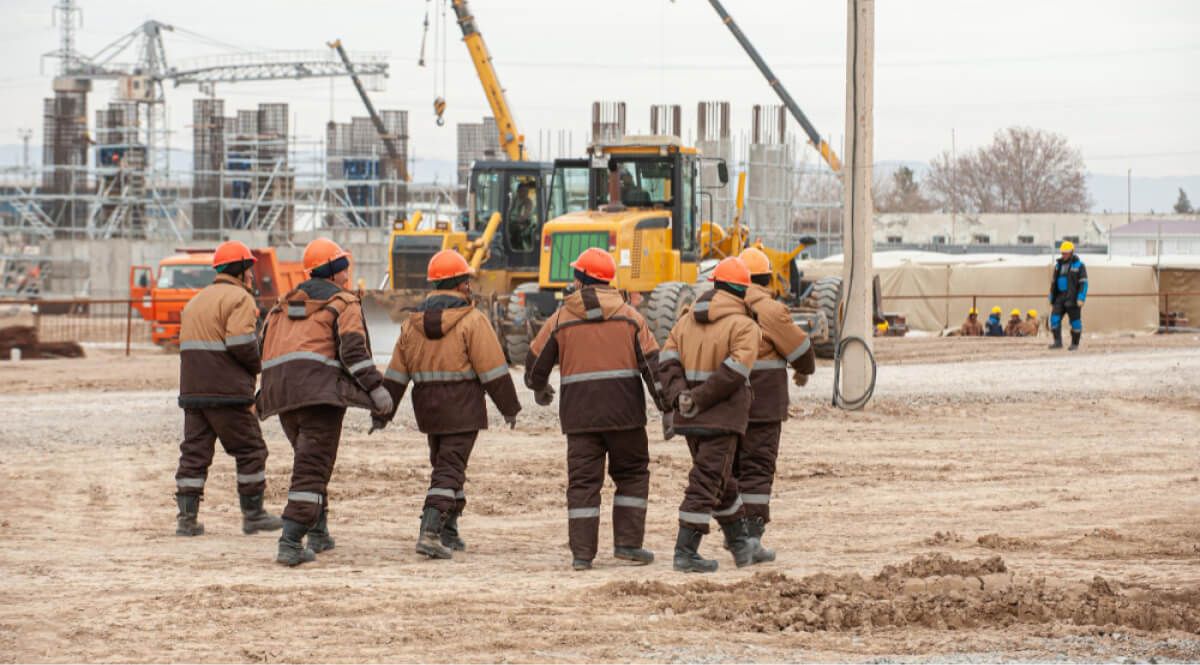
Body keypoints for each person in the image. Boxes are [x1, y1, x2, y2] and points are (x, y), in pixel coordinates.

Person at [524, 248, 666, 571]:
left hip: (580, 419)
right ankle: (628, 545)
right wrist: (667, 407)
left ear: (580, 280)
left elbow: (534, 367)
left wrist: (540, 389)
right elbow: (653, 368)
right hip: (626, 417)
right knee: (631, 475)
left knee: (583, 485)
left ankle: (582, 555)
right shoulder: (632, 318)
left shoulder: (560, 320)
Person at [257, 238, 392, 566]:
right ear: (334, 271)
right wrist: (377, 390)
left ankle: (319, 532)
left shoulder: (282, 305)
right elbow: (353, 352)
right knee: (312, 467)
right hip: (318, 396)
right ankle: (290, 541)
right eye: (343, 268)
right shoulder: (344, 303)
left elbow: (263, 347)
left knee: (310, 461)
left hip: (282, 395)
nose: (347, 275)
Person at [379, 249, 521, 560]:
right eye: (467, 280)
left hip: (428, 411)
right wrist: (509, 407)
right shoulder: (472, 321)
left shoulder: (411, 324)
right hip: (462, 409)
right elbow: (493, 370)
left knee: (446, 465)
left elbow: (395, 375)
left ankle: (448, 530)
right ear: (461, 284)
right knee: (449, 470)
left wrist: (383, 414)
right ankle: (430, 532)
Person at [657, 257, 768, 573]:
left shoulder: (685, 321)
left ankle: (740, 545)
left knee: (722, 482)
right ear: (743, 289)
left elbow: (667, 362)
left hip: (690, 420)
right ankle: (685, 552)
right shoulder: (745, 326)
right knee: (706, 483)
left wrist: (682, 398)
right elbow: (734, 372)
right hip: (722, 419)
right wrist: (699, 399)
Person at [174, 240, 281, 538]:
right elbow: (240, 342)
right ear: (241, 270)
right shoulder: (240, 299)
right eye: (249, 270)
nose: (251, 276)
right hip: (227, 392)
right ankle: (254, 514)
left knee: (195, 453)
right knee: (251, 450)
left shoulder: (197, 301)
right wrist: (259, 364)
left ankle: (186, 519)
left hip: (193, 391)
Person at [737, 248, 816, 561]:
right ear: (767, 278)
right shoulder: (771, 310)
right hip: (764, 405)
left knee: (730, 469)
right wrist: (803, 371)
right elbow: (802, 350)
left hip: (725, 404)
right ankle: (750, 539)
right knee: (757, 469)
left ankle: (733, 534)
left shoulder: (721, 309)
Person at [1048, 241, 1088, 350]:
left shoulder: (1079, 266)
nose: (1063, 255)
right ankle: (1057, 342)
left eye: (1066, 253)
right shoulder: (1058, 266)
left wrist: (1081, 298)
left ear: (1071, 253)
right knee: (1054, 318)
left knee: (1075, 322)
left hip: (1073, 298)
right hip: (1059, 297)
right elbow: (1053, 282)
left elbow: (1084, 283)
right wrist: (1051, 296)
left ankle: (1075, 344)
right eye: (1062, 253)